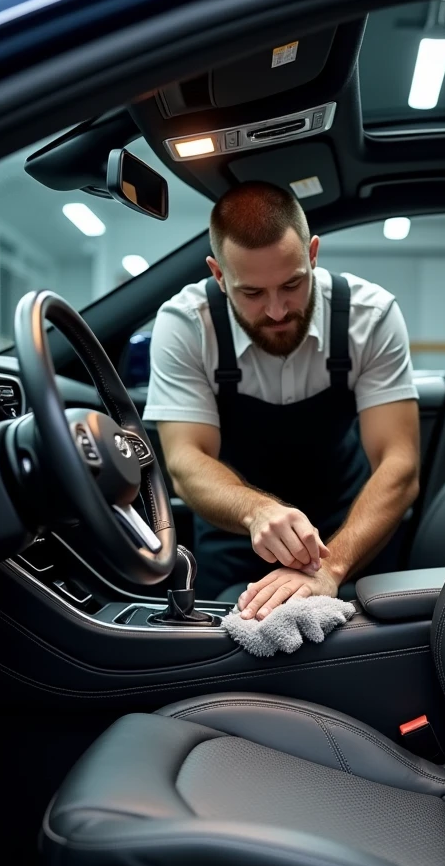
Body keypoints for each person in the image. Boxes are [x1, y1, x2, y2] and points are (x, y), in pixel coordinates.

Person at [144, 181, 420, 619]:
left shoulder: (371, 316)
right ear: (218, 275)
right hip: (237, 539)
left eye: (292, 284)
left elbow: (399, 465)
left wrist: (329, 568)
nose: (276, 310)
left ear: (312, 254)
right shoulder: (187, 324)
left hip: (350, 533)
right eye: (251, 293)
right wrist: (257, 512)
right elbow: (184, 461)